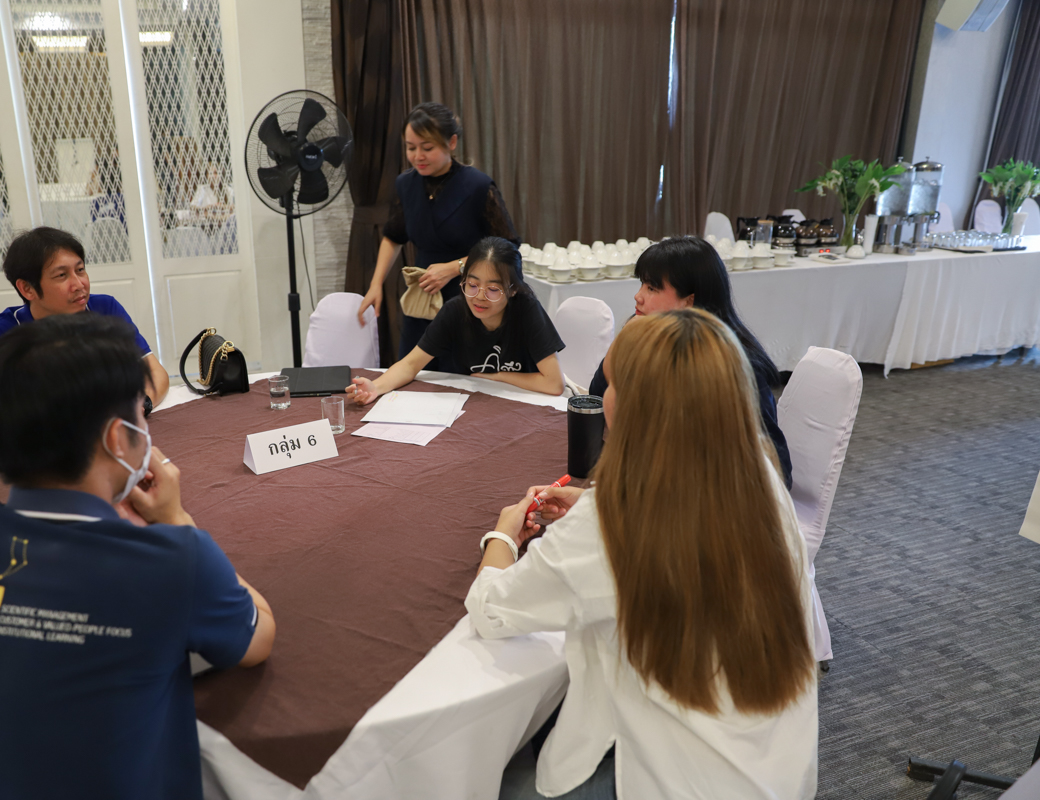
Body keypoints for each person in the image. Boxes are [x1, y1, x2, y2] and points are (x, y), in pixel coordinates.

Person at [468, 309, 817, 800]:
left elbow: (492, 610)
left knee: (475, 779)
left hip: (665, 781)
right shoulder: (755, 474)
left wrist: (503, 535)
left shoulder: (613, 521)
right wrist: (589, 504)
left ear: (640, 407)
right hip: (773, 767)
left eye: (612, 384)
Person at [0, 314, 275, 800]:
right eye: (140, 412)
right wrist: (176, 518)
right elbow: (258, 637)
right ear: (116, 438)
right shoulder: (173, 561)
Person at [587, 235, 792, 486]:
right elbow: (596, 400)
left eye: (652, 288)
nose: (638, 296)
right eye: (642, 284)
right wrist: (623, 341)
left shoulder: (737, 368)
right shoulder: (657, 338)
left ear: (689, 301)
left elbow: (778, 473)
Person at [356, 102, 521, 357]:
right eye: (411, 147)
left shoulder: (478, 186)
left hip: (471, 300)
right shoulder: (406, 184)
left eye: (427, 148)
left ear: (451, 142)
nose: (417, 156)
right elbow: (393, 236)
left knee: (465, 376)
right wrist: (375, 284)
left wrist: (454, 268)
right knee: (413, 372)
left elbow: (507, 247)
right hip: (423, 298)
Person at [347, 237, 565, 403]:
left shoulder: (526, 310)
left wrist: (499, 376)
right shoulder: (455, 310)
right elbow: (410, 364)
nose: (479, 296)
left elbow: (554, 384)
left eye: (492, 289)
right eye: (472, 285)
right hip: (473, 402)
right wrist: (376, 387)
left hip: (522, 401)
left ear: (513, 289)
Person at [0, 226, 170, 409]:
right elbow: (5, 407)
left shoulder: (105, 309)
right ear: (27, 288)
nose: (79, 284)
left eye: (80, 270)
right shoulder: (0, 335)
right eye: (61, 275)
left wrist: (140, 405)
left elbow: (155, 373)